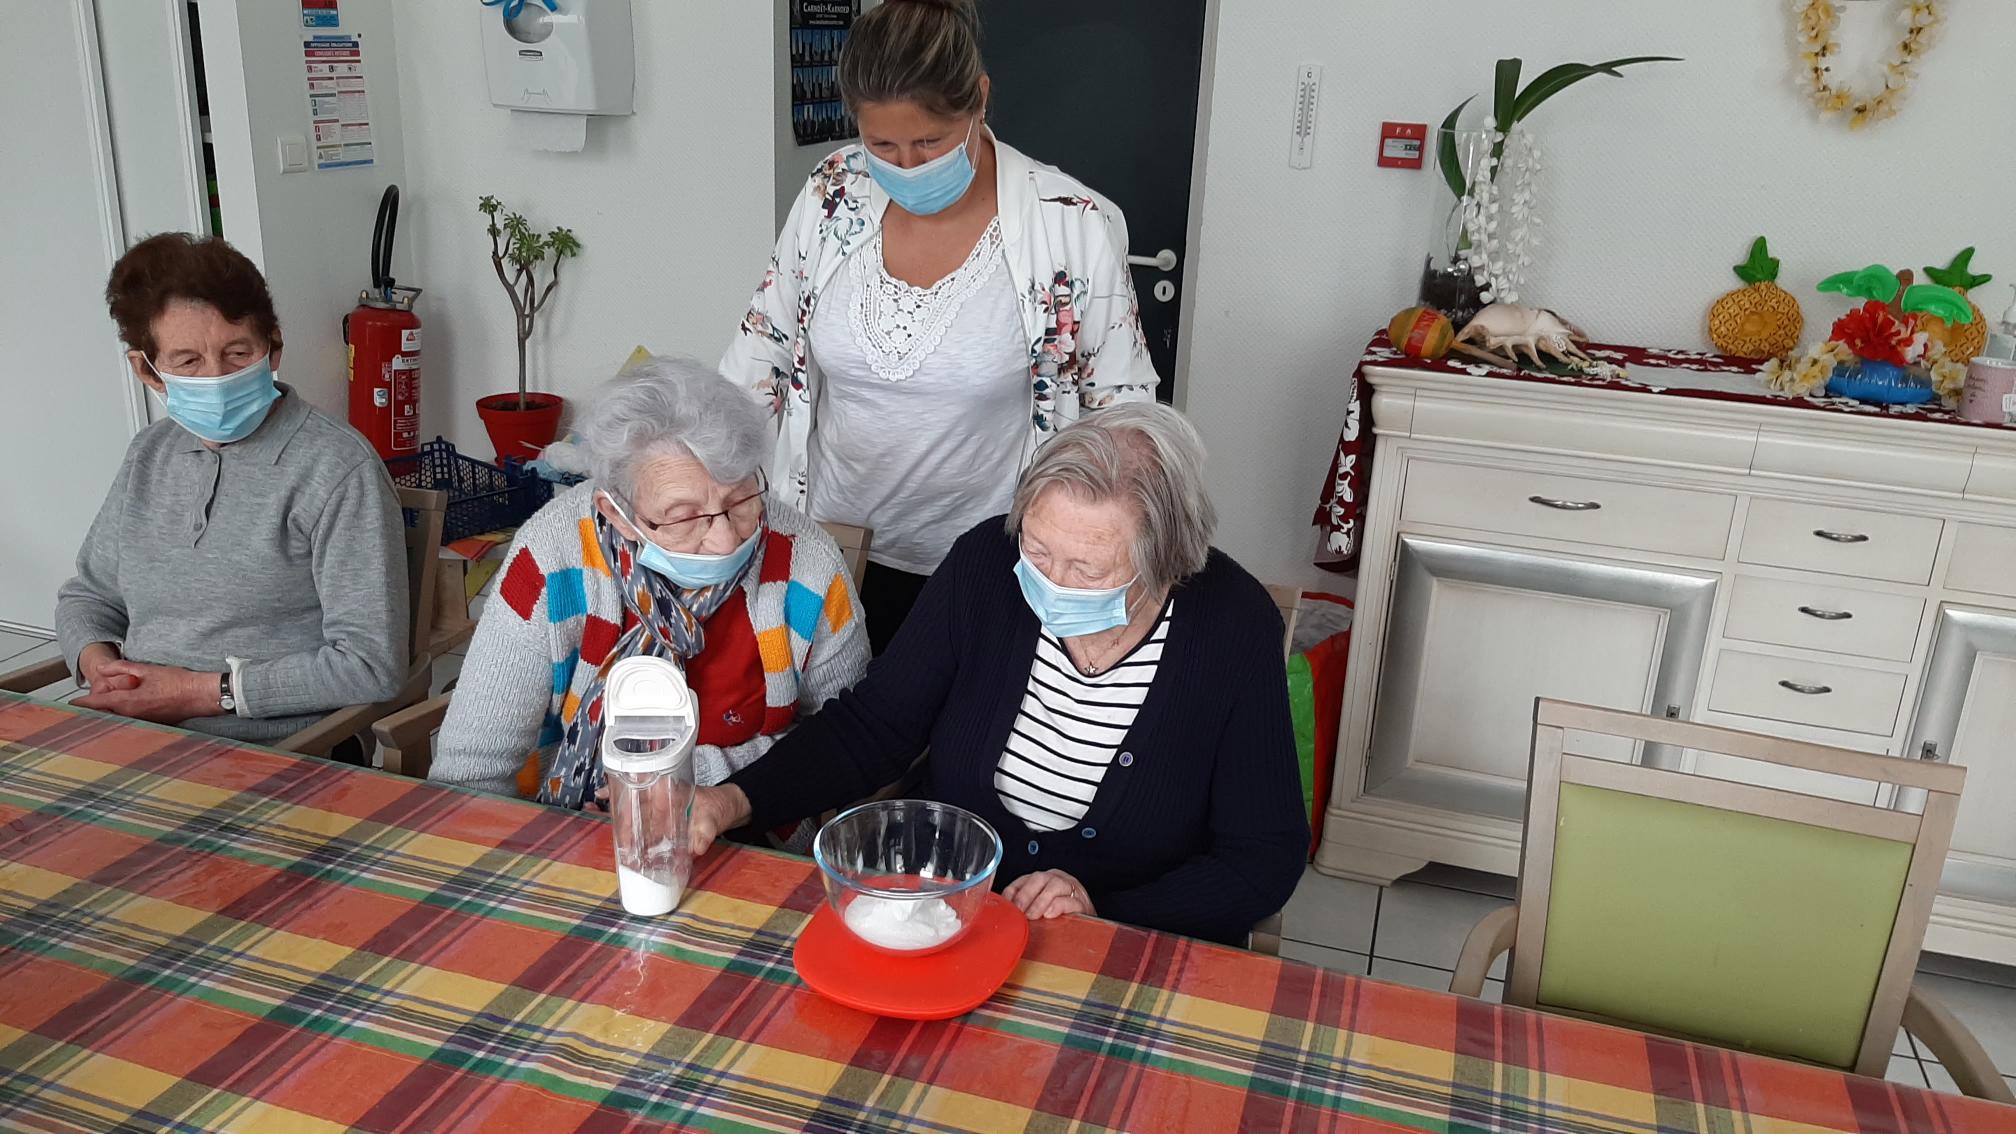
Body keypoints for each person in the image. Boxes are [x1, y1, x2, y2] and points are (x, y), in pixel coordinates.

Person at [688, 404, 1307, 945]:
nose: (1051, 583)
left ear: (1166, 563)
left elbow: (1261, 857)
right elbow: (871, 728)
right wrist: (733, 799)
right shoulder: (986, 565)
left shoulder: (1232, 626)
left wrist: (1102, 910)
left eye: (1088, 570)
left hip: (1121, 946)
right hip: (951, 915)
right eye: (1038, 551)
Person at [722, 0, 1158, 655]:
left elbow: (1121, 413)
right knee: (830, 734)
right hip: (827, 549)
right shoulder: (832, 190)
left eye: (928, 142)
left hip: (987, 566)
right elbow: (761, 353)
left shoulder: (1069, 223)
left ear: (979, 100)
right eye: (883, 146)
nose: (906, 166)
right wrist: (712, 491)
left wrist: (1107, 558)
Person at [429, 357, 871, 812]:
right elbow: (471, 769)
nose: (724, 539)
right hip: (567, 821)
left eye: (740, 499)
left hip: (757, 830)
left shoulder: (808, 563)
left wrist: (695, 784)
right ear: (616, 513)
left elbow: (852, 742)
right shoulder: (551, 556)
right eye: (684, 517)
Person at [57, 233, 407, 752]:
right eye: (188, 362)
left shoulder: (336, 467)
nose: (217, 377)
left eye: (237, 352)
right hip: (136, 735)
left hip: (286, 750)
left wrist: (197, 694)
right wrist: (99, 665)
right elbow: (88, 596)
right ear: (146, 371)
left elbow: (370, 664)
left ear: (275, 348)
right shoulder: (149, 455)